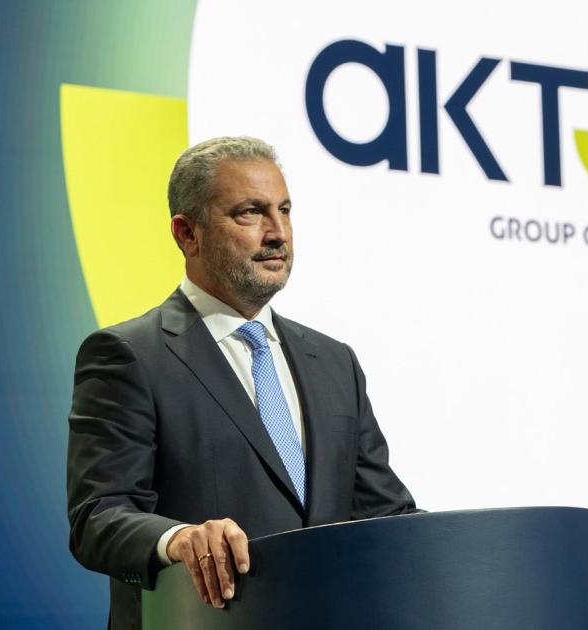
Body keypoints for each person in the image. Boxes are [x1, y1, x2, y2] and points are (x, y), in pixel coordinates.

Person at [66, 136, 419, 630]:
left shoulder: (334, 361)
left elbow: (387, 514)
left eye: (285, 211)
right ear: (187, 233)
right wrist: (179, 539)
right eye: (251, 213)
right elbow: (99, 517)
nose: (278, 234)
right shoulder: (129, 355)